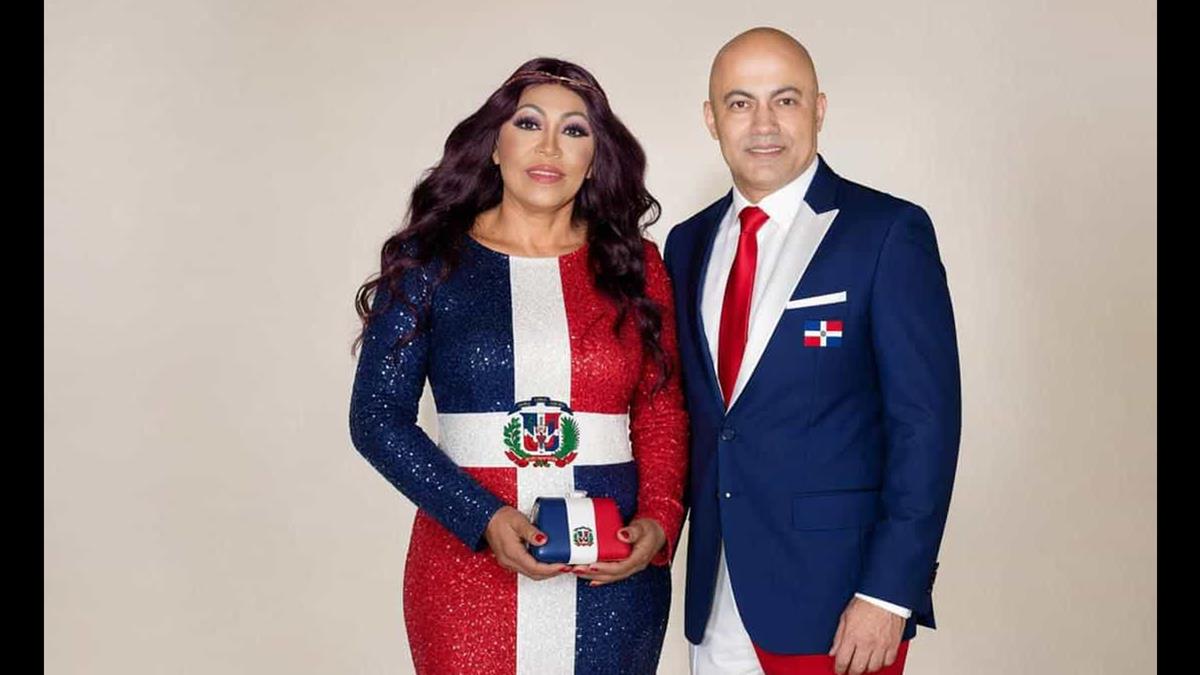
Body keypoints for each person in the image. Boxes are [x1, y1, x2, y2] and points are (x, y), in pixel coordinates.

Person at [348, 57, 687, 674]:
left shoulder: (637, 266)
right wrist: (481, 518)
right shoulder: (430, 262)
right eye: (529, 123)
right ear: (494, 145)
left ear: (595, 157)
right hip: (466, 565)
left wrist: (659, 521)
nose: (550, 146)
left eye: (575, 130)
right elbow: (376, 416)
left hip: (611, 572)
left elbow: (661, 408)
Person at [663, 27, 962, 675]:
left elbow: (925, 426)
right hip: (714, 593)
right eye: (740, 103)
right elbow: (695, 417)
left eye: (786, 99)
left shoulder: (887, 232)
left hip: (839, 603)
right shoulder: (686, 245)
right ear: (711, 119)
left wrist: (889, 593)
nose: (763, 124)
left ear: (818, 109)